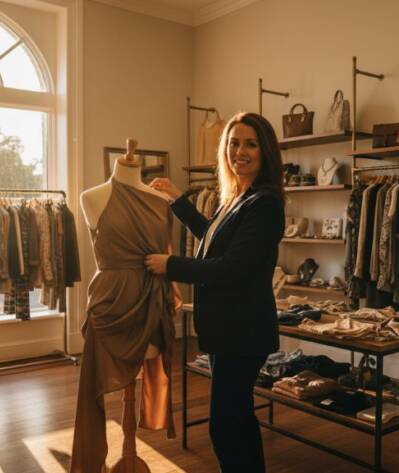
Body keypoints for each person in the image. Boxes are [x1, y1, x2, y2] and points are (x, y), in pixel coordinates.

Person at [145, 112, 285, 473]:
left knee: (227, 423)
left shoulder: (265, 204)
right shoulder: (238, 197)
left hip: (244, 331)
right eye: (234, 142)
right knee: (232, 419)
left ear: (265, 151)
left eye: (250, 143)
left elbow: (229, 267)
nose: (240, 151)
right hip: (229, 331)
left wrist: (170, 266)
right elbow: (212, 238)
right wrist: (179, 200)